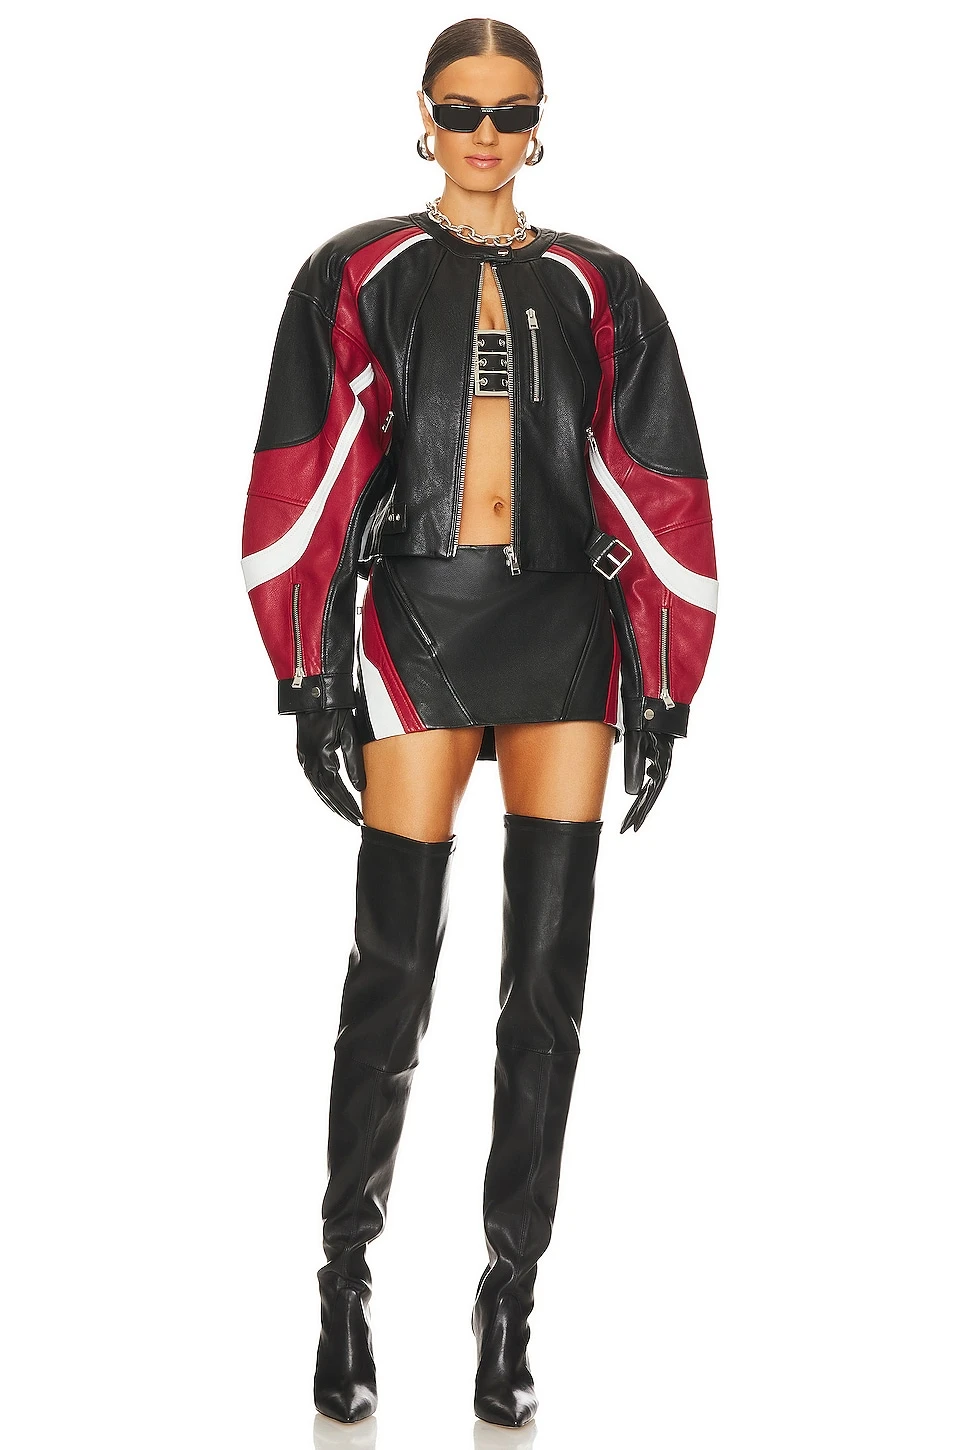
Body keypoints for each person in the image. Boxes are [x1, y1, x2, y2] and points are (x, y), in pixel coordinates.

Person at [240, 16, 718, 1429]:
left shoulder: (602, 284)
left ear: (541, 120)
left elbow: (657, 479)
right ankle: (344, 1278)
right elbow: (303, 471)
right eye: (463, 111)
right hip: (420, 621)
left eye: (510, 113)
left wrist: (664, 682)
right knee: (392, 967)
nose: (487, 137)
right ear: (425, 116)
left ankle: (510, 1298)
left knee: (548, 984)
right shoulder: (356, 272)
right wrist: (310, 669)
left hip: (567, 627)